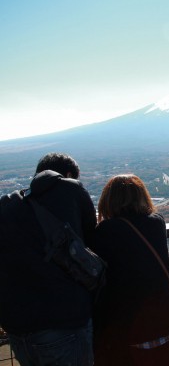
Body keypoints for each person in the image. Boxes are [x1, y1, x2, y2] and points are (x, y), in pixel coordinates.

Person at [0, 152, 97, 366]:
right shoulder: (71, 190)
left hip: (18, 328)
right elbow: (92, 242)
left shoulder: (9, 205)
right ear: (69, 175)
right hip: (64, 322)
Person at [91, 174, 169, 366]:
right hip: (168, 323)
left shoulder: (104, 232)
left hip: (128, 329)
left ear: (108, 200)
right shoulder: (157, 222)